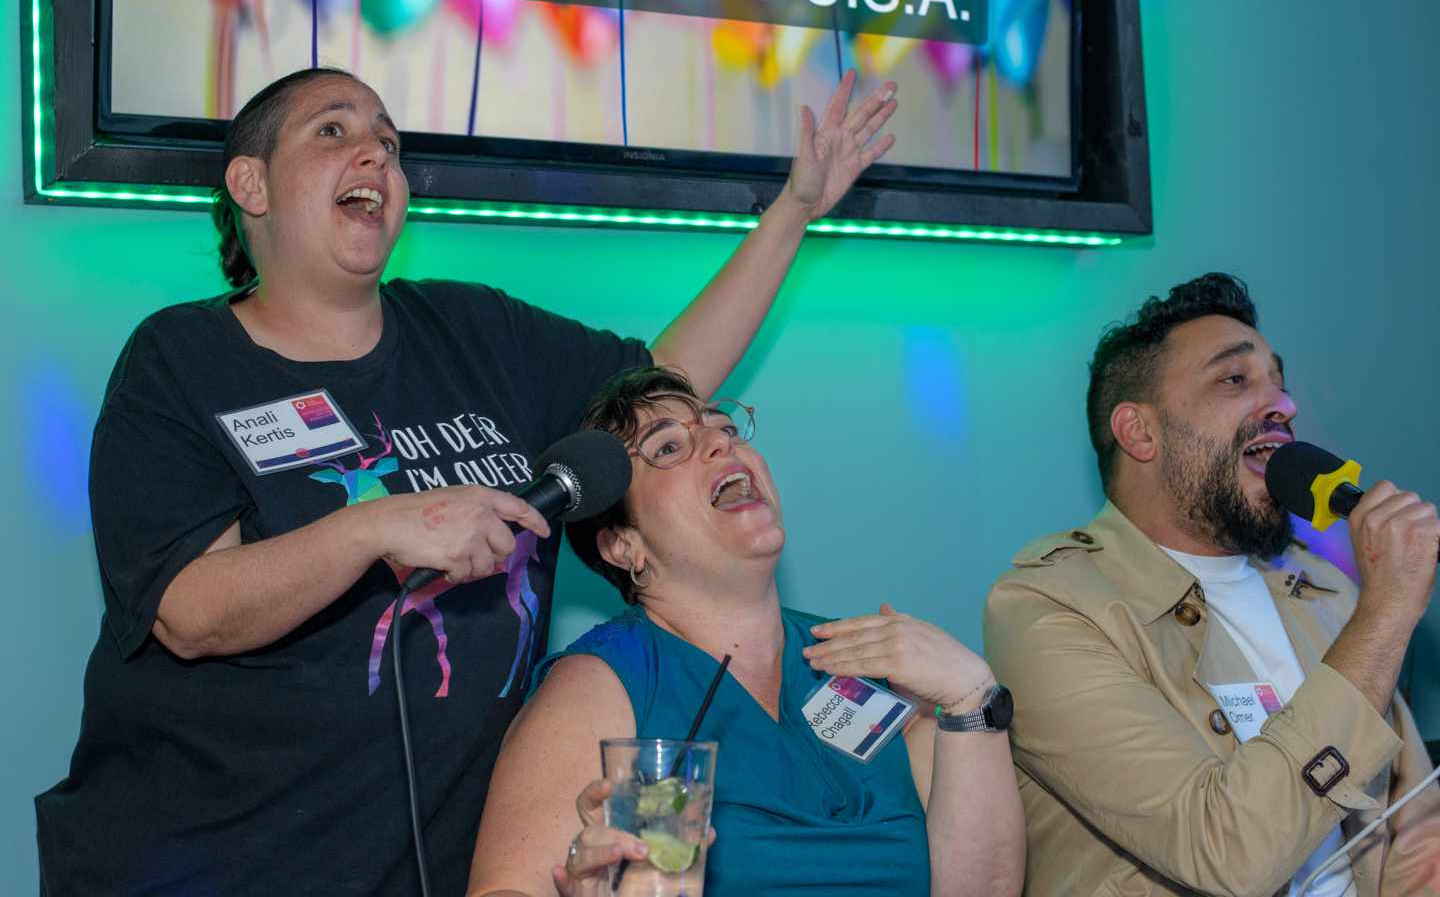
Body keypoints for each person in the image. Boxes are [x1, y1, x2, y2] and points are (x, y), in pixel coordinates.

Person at [34, 66, 899, 897]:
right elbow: (187, 612)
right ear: (251, 186)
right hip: (204, 862)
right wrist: (374, 527)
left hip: (430, 866)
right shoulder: (180, 359)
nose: (376, 154)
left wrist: (794, 211)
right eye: (333, 131)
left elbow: (663, 381)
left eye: (389, 141)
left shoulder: (475, 333)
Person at [466, 366, 1026, 897]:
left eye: (725, 429)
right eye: (667, 447)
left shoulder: (866, 657)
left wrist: (970, 697)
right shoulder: (604, 683)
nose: (721, 443)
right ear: (623, 545)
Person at [984, 273, 1440, 897]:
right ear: (1139, 432)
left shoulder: (1327, 591)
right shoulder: (1048, 609)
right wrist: (1387, 611)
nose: (1284, 404)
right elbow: (1226, 854)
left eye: (1280, 382)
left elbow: (1415, 828)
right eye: (1235, 379)